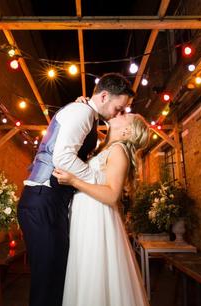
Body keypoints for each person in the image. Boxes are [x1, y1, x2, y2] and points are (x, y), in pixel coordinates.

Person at [17, 73, 135, 306]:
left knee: (54, 277)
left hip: (51, 201)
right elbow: (62, 158)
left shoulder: (88, 115)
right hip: (44, 199)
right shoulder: (82, 112)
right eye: (118, 107)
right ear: (103, 96)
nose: (118, 113)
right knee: (47, 280)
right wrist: (97, 179)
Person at [53, 112, 150, 306]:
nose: (119, 112)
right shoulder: (105, 148)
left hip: (97, 218)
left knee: (93, 270)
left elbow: (112, 194)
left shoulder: (119, 151)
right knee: (85, 270)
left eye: (124, 115)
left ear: (127, 131)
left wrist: (74, 181)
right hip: (88, 214)